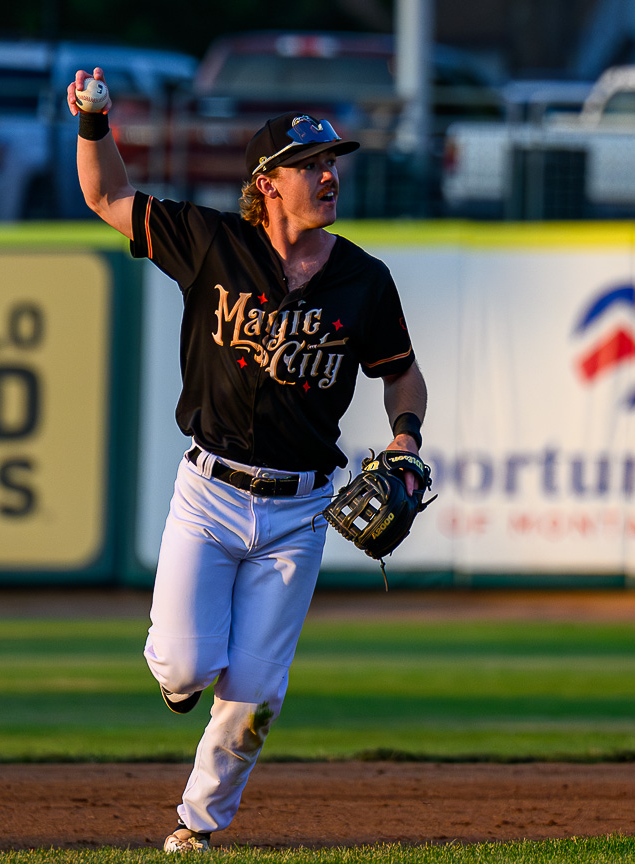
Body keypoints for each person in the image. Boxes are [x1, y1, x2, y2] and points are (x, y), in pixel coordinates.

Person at [68, 68, 429, 852]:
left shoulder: (364, 281)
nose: (329, 175)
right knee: (184, 670)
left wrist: (405, 438)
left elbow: (400, 370)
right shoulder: (211, 243)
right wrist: (95, 123)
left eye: (332, 162)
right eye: (310, 165)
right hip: (211, 492)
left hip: (301, 508)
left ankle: (195, 827)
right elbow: (105, 197)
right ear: (267, 184)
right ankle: (177, 677)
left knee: (256, 695)